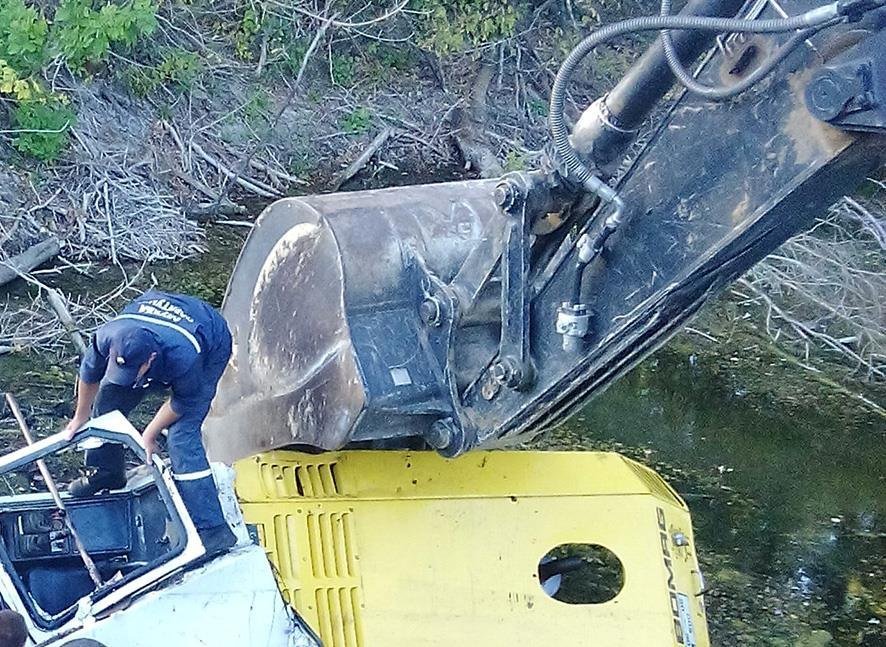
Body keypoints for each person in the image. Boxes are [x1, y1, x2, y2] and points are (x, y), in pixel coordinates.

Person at [64, 290, 236, 555]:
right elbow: (89, 375)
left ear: (150, 360)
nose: (127, 378)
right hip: (158, 321)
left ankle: (213, 530)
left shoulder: (184, 356)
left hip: (210, 337)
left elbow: (183, 403)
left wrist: (149, 435)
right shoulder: (107, 336)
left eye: (133, 373)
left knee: (181, 437)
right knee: (107, 405)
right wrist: (80, 417)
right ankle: (108, 473)